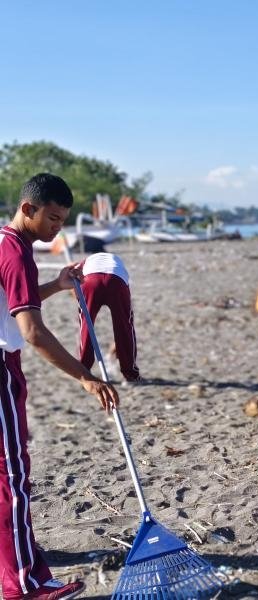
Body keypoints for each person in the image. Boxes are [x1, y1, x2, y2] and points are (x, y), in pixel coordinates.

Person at [0, 173, 119, 600]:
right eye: (52, 218)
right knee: (12, 476)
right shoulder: (15, 251)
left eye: (63, 220)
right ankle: (24, 586)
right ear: (27, 208)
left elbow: (13, 299)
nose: (57, 228)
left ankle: (18, 569)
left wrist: (56, 285)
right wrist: (85, 377)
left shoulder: (5, 243)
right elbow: (32, 331)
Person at [77, 252, 140, 382]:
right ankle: (130, 373)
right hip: (116, 281)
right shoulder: (117, 260)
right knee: (124, 326)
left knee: (86, 326)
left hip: (91, 281)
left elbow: (75, 279)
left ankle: (84, 370)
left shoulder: (84, 262)